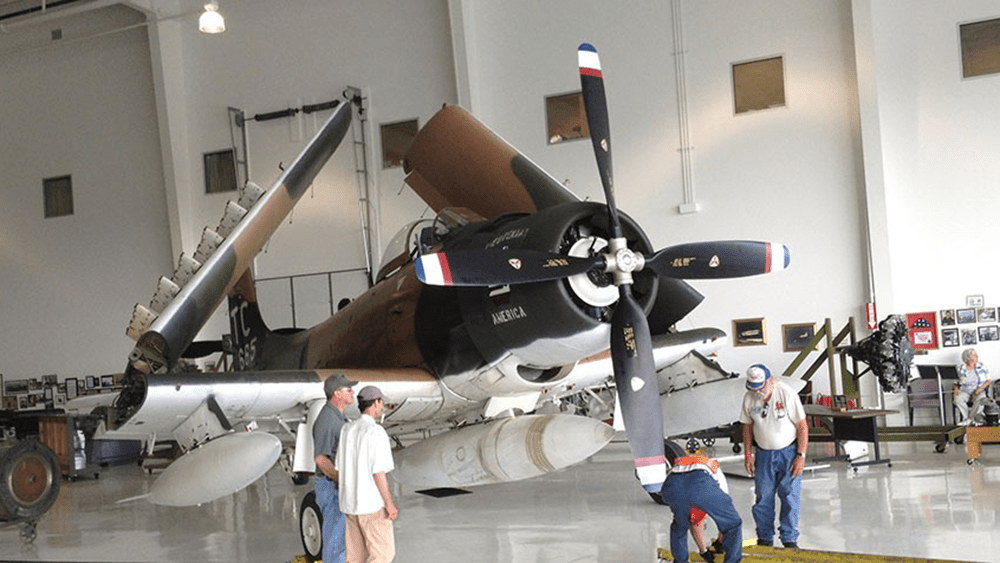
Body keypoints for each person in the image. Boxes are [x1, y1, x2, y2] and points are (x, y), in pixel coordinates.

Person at [739, 363, 808, 549]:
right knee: (763, 498)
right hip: (763, 454)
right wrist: (748, 454)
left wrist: (801, 455)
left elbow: (802, 425)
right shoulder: (749, 398)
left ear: (769, 381)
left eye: (760, 388)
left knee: (789, 496)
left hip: (788, 453)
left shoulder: (786, 393)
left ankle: (789, 538)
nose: (757, 392)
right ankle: (764, 538)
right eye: (753, 388)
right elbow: (747, 426)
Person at [337, 385, 398, 563]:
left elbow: (340, 467)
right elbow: (378, 471)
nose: (383, 406)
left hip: (350, 505)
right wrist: (389, 503)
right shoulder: (376, 432)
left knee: (355, 558)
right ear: (375, 403)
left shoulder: (346, 430)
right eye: (381, 402)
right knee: (383, 554)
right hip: (370, 506)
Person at [659, 450, 742, 563]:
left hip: (671, 487)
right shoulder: (713, 465)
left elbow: (695, 523)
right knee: (732, 524)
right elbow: (724, 516)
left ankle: (680, 560)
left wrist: (704, 552)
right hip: (700, 484)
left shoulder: (682, 462)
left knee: (680, 525)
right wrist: (721, 541)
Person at [313, 373, 358, 563]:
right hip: (331, 488)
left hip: (335, 486)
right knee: (335, 541)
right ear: (337, 394)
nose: (353, 392)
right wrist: (343, 480)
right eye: (348, 389)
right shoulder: (327, 420)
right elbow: (321, 459)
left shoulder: (338, 417)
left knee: (341, 540)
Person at [954, 348, 991, 425]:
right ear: (968, 357)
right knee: (957, 400)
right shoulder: (960, 368)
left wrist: (980, 389)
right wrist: (955, 393)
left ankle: (971, 419)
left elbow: (989, 380)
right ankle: (967, 418)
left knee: (981, 400)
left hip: (978, 390)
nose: (977, 356)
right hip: (965, 391)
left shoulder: (981, 366)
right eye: (974, 355)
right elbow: (956, 382)